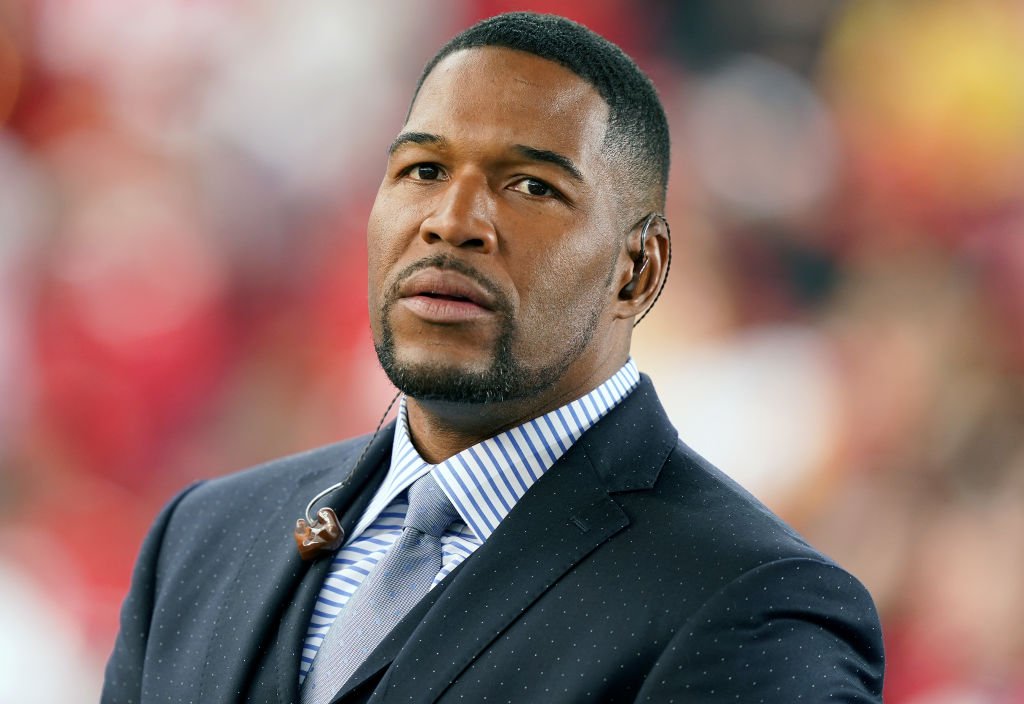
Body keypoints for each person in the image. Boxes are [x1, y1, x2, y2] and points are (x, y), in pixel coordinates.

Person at [102, 12, 884, 704]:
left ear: (639, 269)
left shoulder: (753, 604)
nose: (452, 221)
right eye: (424, 170)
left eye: (531, 185)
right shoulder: (200, 537)